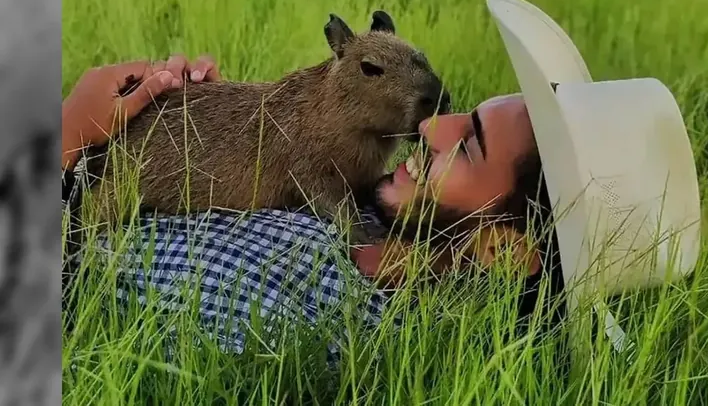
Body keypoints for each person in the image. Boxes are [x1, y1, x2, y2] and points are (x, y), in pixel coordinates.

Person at [60, 52, 563, 358]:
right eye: (461, 115)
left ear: (500, 248)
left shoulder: (311, 326)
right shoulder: (371, 207)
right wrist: (211, 117)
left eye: (470, 145)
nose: (432, 127)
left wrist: (62, 142)